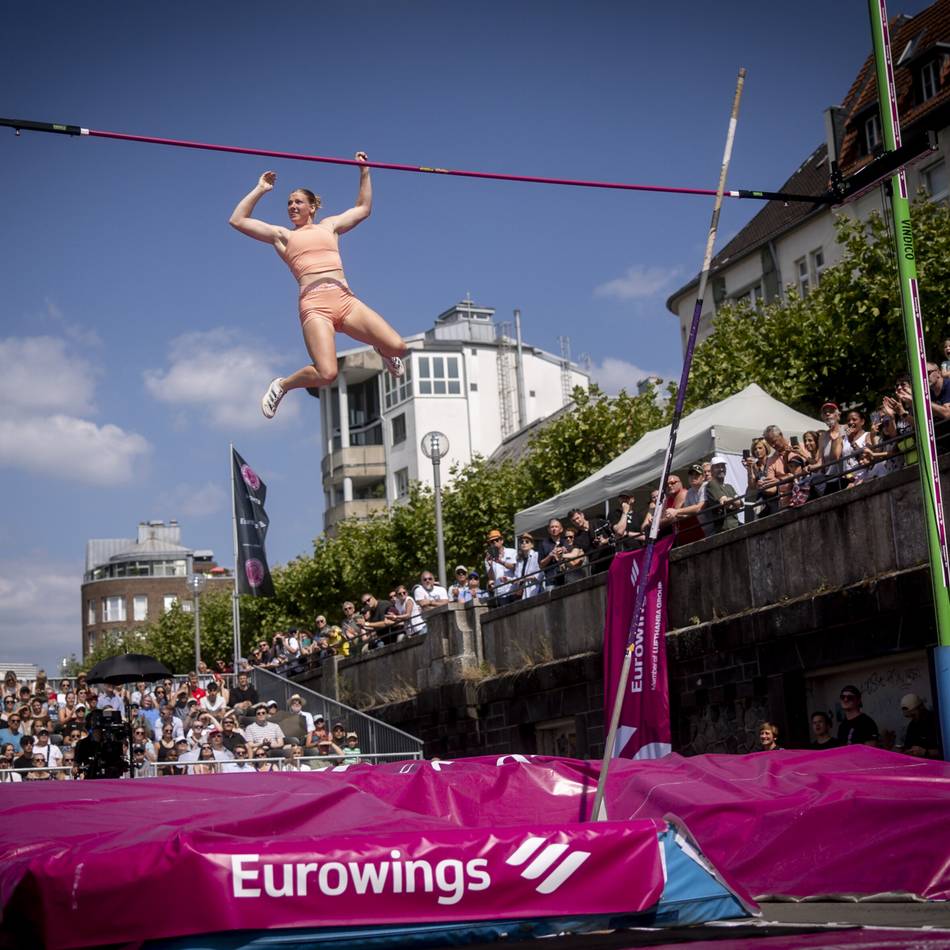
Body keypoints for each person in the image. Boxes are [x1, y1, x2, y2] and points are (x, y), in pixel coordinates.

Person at [229, 159, 408, 419]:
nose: (292, 206)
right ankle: (282, 385)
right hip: (315, 306)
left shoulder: (330, 226)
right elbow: (237, 220)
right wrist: (260, 189)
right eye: (289, 203)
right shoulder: (283, 236)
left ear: (313, 206)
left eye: (298, 202)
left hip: (345, 300)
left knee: (398, 346)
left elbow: (363, 208)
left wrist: (365, 172)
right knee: (327, 374)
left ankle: (382, 350)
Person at [703, 456, 742, 533]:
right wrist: (733, 503)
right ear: (712, 470)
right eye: (717, 466)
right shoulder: (712, 484)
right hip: (724, 529)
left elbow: (740, 503)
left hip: (735, 525)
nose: (721, 469)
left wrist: (732, 502)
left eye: (723, 466)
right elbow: (724, 501)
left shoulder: (729, 486)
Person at [898, 693, 942, 759]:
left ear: (921, 707)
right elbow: (908, 747)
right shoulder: (912, 726)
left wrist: (926, 752)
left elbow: (945, 751)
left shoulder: (937, 721)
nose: (912, 718)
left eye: (913, 715)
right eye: (908, 716)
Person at [483, 530, 517, 604]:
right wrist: (490, 564)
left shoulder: (512, 552)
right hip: (501, 594)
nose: (494, 542)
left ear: (502, 540)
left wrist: (500, 562)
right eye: (492, 541)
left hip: (514, 590)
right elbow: (491, 578)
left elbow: (516, 568)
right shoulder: (488, 558)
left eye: (496, 540)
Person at [513, 534, 542, 599]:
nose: (524, 543)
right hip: (522, 591)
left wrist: (527, 578)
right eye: (522, 542)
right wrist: (508, 579)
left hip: (533, 588)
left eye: (527, 541)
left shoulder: (536, 555)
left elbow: (541, 572)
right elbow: (517, 576)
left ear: (532, 545)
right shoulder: (519, 559)